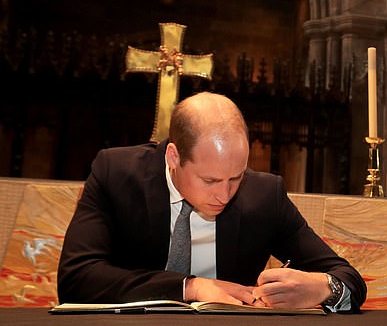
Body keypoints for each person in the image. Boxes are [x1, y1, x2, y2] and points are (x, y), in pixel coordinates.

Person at [58, 92, 366, 312]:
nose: (225, 194)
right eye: (210, 181)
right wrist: (189, 287)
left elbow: (348, 277)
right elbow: (76, 278)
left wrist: (324, 288)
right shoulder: (117, 174)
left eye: (236, 177)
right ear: (174, 157)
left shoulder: (264, 194)